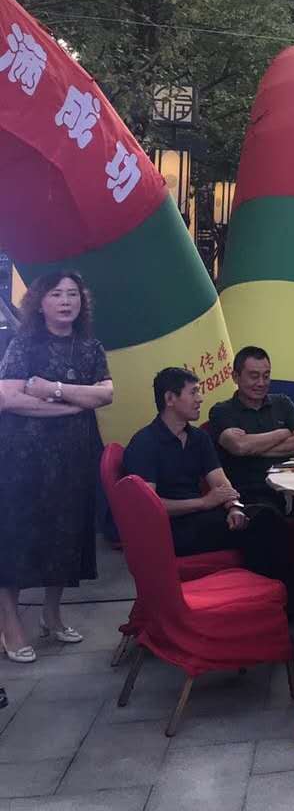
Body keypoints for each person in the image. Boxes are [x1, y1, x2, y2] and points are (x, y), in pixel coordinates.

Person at [0, 271, 114, 661]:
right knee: (17, 539)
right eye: (56, 294)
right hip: (23, 460)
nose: (66, 301)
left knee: (66, 537)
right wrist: (73, 406)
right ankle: (10, 625)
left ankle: (51, 614)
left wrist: (52, 390)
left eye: (73, 294)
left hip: (76, 459)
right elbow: (8, 399)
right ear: (40, 302)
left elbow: (106, 394)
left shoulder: (91, 347)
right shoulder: (24, 344)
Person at [124, 367, 291, 587]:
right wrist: (203, 502)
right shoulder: (145, 443)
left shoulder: (199, 438)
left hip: (202, 518)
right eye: (193, 392)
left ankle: (269, 593)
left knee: (265, 516)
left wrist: (234, 507)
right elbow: (147, 506)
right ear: (170, 399)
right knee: (263, 526)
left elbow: (220, 483)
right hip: (169, 529)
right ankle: (273, 595)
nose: (200, 398)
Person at [208, 347, 294, 509]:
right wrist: (283, 432)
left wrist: (254, 448)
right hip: (251, 493)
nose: (261, 383)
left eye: (266, 376)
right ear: (235, 377)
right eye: (254, 376)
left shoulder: (282, 402)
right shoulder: (221, 411)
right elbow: (239, 446)